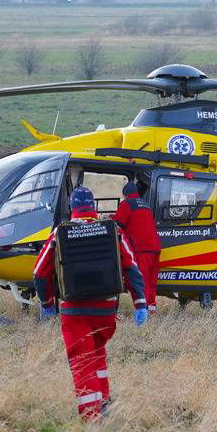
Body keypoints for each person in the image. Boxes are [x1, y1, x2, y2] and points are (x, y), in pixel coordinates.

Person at [33, 186, 149, 419]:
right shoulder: (112, 229)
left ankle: (91, 416)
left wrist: (47, 303)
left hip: (74, 310)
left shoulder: (60, 233)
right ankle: (104, 401)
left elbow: (39, 272)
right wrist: (140, 303)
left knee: (82, 360)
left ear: (72, 208)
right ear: (93, 207)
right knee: (97, 352)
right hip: (106, 310)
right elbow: (131, 267)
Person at [113, 179, 161, 314]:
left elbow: (117, 225)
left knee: (142, 279)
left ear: (126, 194)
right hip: (155, 248)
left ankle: (143, 309)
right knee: (151, 280)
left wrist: (108, 219)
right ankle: (151, 308)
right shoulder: (146, 205)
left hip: (142, 248)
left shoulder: (127, 204)